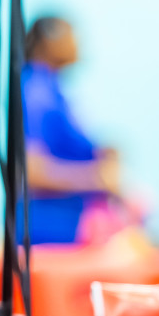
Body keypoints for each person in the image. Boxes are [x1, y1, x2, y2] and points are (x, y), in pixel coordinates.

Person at [21, 15, 123, 244]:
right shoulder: (36, 91)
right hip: (49, 229)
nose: (78, 43)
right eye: (71, 35)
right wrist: (98, 178)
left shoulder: (51, 89)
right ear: (51, 39)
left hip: (69, 223)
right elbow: (32, 170)